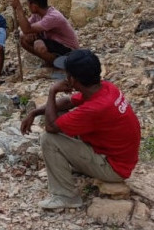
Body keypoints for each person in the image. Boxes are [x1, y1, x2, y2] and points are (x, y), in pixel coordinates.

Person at [21, 49, 140, 210]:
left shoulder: (95, 108)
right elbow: (68, 102)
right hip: (116, 155)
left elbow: (51, 127)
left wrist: (52, 91)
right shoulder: (105, 88)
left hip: (114, 168)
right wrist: (34, 112)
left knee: (49, 139)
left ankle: (66, 196)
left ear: (72, 79)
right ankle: (73, 166)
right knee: (58, 113)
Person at [11, 0, 79, 67]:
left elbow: (26, 29)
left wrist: (19, 9)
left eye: (28, 4)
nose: (28, 7)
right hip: (55, 45)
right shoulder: (37, 15)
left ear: (34, 6)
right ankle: (51, 61)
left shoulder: (53, 16)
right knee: (23, 38)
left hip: (70, 51)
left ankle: (61, 64)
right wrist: (29, 32)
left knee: (38, 44)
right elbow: (24, 30)